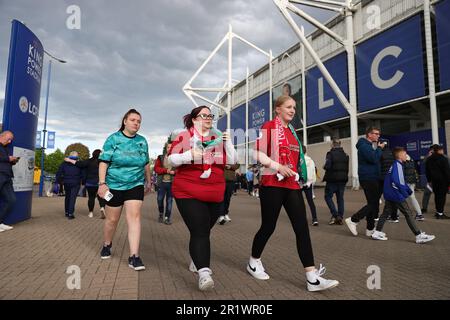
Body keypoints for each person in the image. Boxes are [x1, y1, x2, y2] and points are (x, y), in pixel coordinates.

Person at [247, 95, 339, 292]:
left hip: (292, 185)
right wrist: (277, 166)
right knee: (268, 226)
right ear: (277, 109)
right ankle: (253, 261)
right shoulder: (269, 126)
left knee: (302, 228)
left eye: (294, 108)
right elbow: (257, 153)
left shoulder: (293, 132)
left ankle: (311, 277)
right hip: (272, 183)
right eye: (288, 107)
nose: (292, 110)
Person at [168, 105, 237, 291]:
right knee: (199, 231)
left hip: (215, 192)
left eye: (210, 115)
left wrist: (228, 142)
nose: (208, 118)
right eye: (203, 115)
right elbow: (171, 160)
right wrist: (189, 155)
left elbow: (232, 161)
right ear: (194, 119)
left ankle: (196, 258)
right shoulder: (185, 136)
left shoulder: (216, 138)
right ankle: (204, 273)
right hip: (188, 190)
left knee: (204, 230)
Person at [97, 109, 152, 271]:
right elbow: (104, 162)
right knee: (112, 220)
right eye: (133, 120)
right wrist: (102, 184)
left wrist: (148, 181)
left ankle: (134, 256)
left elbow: (146, 163)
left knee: (134, 218)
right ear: (125, 121)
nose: (136, 123)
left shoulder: (142, 141)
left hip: (135, 184)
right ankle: (107, 244)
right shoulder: (113, 139)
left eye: (139, 121)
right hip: (114, 185)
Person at [371, 147, 435, 244]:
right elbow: (399, 182)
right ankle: (418, 235)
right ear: (400, 156)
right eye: (405, 154)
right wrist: (406, 192)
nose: (406, 156)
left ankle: (377, 232)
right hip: (396, 194)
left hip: (390, 194)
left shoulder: (395, 165)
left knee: (385, 213)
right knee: (408, 213)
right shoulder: (398, 165)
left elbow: (398, 180)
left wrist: (407, 191)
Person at [345, 127, 384, 238]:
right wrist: (380, 149)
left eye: (378, 134)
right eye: (376, 134)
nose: (378, 136)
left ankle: (370, 229)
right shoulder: (364, 146)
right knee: (373, 203)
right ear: (369, 135)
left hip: (372, 177)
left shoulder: (368, 146)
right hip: (368, 178)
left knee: (373, 203)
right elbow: (373, 159)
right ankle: (353, 219)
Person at [64, 149, 106, 219]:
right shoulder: (102, 162)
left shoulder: (88, 161)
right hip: (100, 183)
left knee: (91, 198)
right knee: (101, 197)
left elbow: (79, 164)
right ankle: (102, 208)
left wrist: (69, 160)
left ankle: (91, 213)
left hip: (90, 183)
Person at [323, 138, 349, 225]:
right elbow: (347, 168)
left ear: (333, 144)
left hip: (332, 179)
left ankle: (335, 215)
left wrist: (324, 166)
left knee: (328, 197)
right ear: (340, 144)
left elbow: (327, 166)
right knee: (340, 198)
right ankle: (340, 216)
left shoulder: (330, 154)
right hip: (343, 179)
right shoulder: (345, 155)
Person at [56, 151, 83, 220]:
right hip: (76, 183)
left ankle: (67, 212)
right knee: (72, 198)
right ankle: (70, 214)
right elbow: (83, 173)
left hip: (66, 182)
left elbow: (59, 172)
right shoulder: (78, 164)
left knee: (67, 197)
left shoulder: (64, 164)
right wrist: (82, 180)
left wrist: (58, 181)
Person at [0, 131, 18, 232]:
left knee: (11, 200)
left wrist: (12, 161)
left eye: (11, 139)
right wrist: (8, 158)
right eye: (9, 139)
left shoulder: (5, 148)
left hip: (7, 177)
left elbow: (5, 161)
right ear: (2, 136)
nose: (10, 141)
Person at [425, 144, 450, 219]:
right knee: (442, 197)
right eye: (442, 150)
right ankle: (440, 213)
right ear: (438, 150)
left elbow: (427, 171)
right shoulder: (443, 159)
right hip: (443, 181)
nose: (443, 151)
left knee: (437, 196)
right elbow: (447, 171)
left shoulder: (429, 159)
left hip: (434, 181)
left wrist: (429, 180)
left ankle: (438, 212)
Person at [154, 141, 175, 225]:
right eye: (168, 147)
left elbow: (179, 169)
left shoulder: (176, 158)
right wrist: (166, 170)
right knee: (159, 199)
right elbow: (156, 169)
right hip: (162, 183)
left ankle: (167, 218)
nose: (170, 149)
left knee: (169, 201)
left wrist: (174, 172)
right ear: (166, 148)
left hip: (172, 183)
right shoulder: (160, 157)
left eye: (171, 147)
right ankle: (161, 213)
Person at [403, 154, 424, 221]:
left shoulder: (402, 162)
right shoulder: (412, 161)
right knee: (412, 197)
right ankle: (419, 214)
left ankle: (395, 215)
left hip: (406, 182)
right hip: (412, 182)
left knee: (400, 198)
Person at [378, 143, 395, 222]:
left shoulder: (381, 154)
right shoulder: (392, 154)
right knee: (392, 196)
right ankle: (394, 216)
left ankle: (378, 214)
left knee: (379, 196)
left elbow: (378, 165)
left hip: (383, 178)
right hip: (391, 177)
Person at [301, 145, 318, 226]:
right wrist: (311, 182)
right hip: (308, 183)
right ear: (306, 151)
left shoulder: (298, 160)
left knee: (300, 202)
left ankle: (302, 219)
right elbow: (313, 172)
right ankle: (315, 219)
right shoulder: (310, 160)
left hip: (299, 184)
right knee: (310, 202)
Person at [421, 147, 434, 214]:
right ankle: (424, 208)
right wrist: (428, 156)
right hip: (430, 180)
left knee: (439, 196)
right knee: (426, 193)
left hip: (439, 180)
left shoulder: (441, 157)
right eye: (431, 151)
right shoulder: (428, 157)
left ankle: (439, 210)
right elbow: (424, 162)